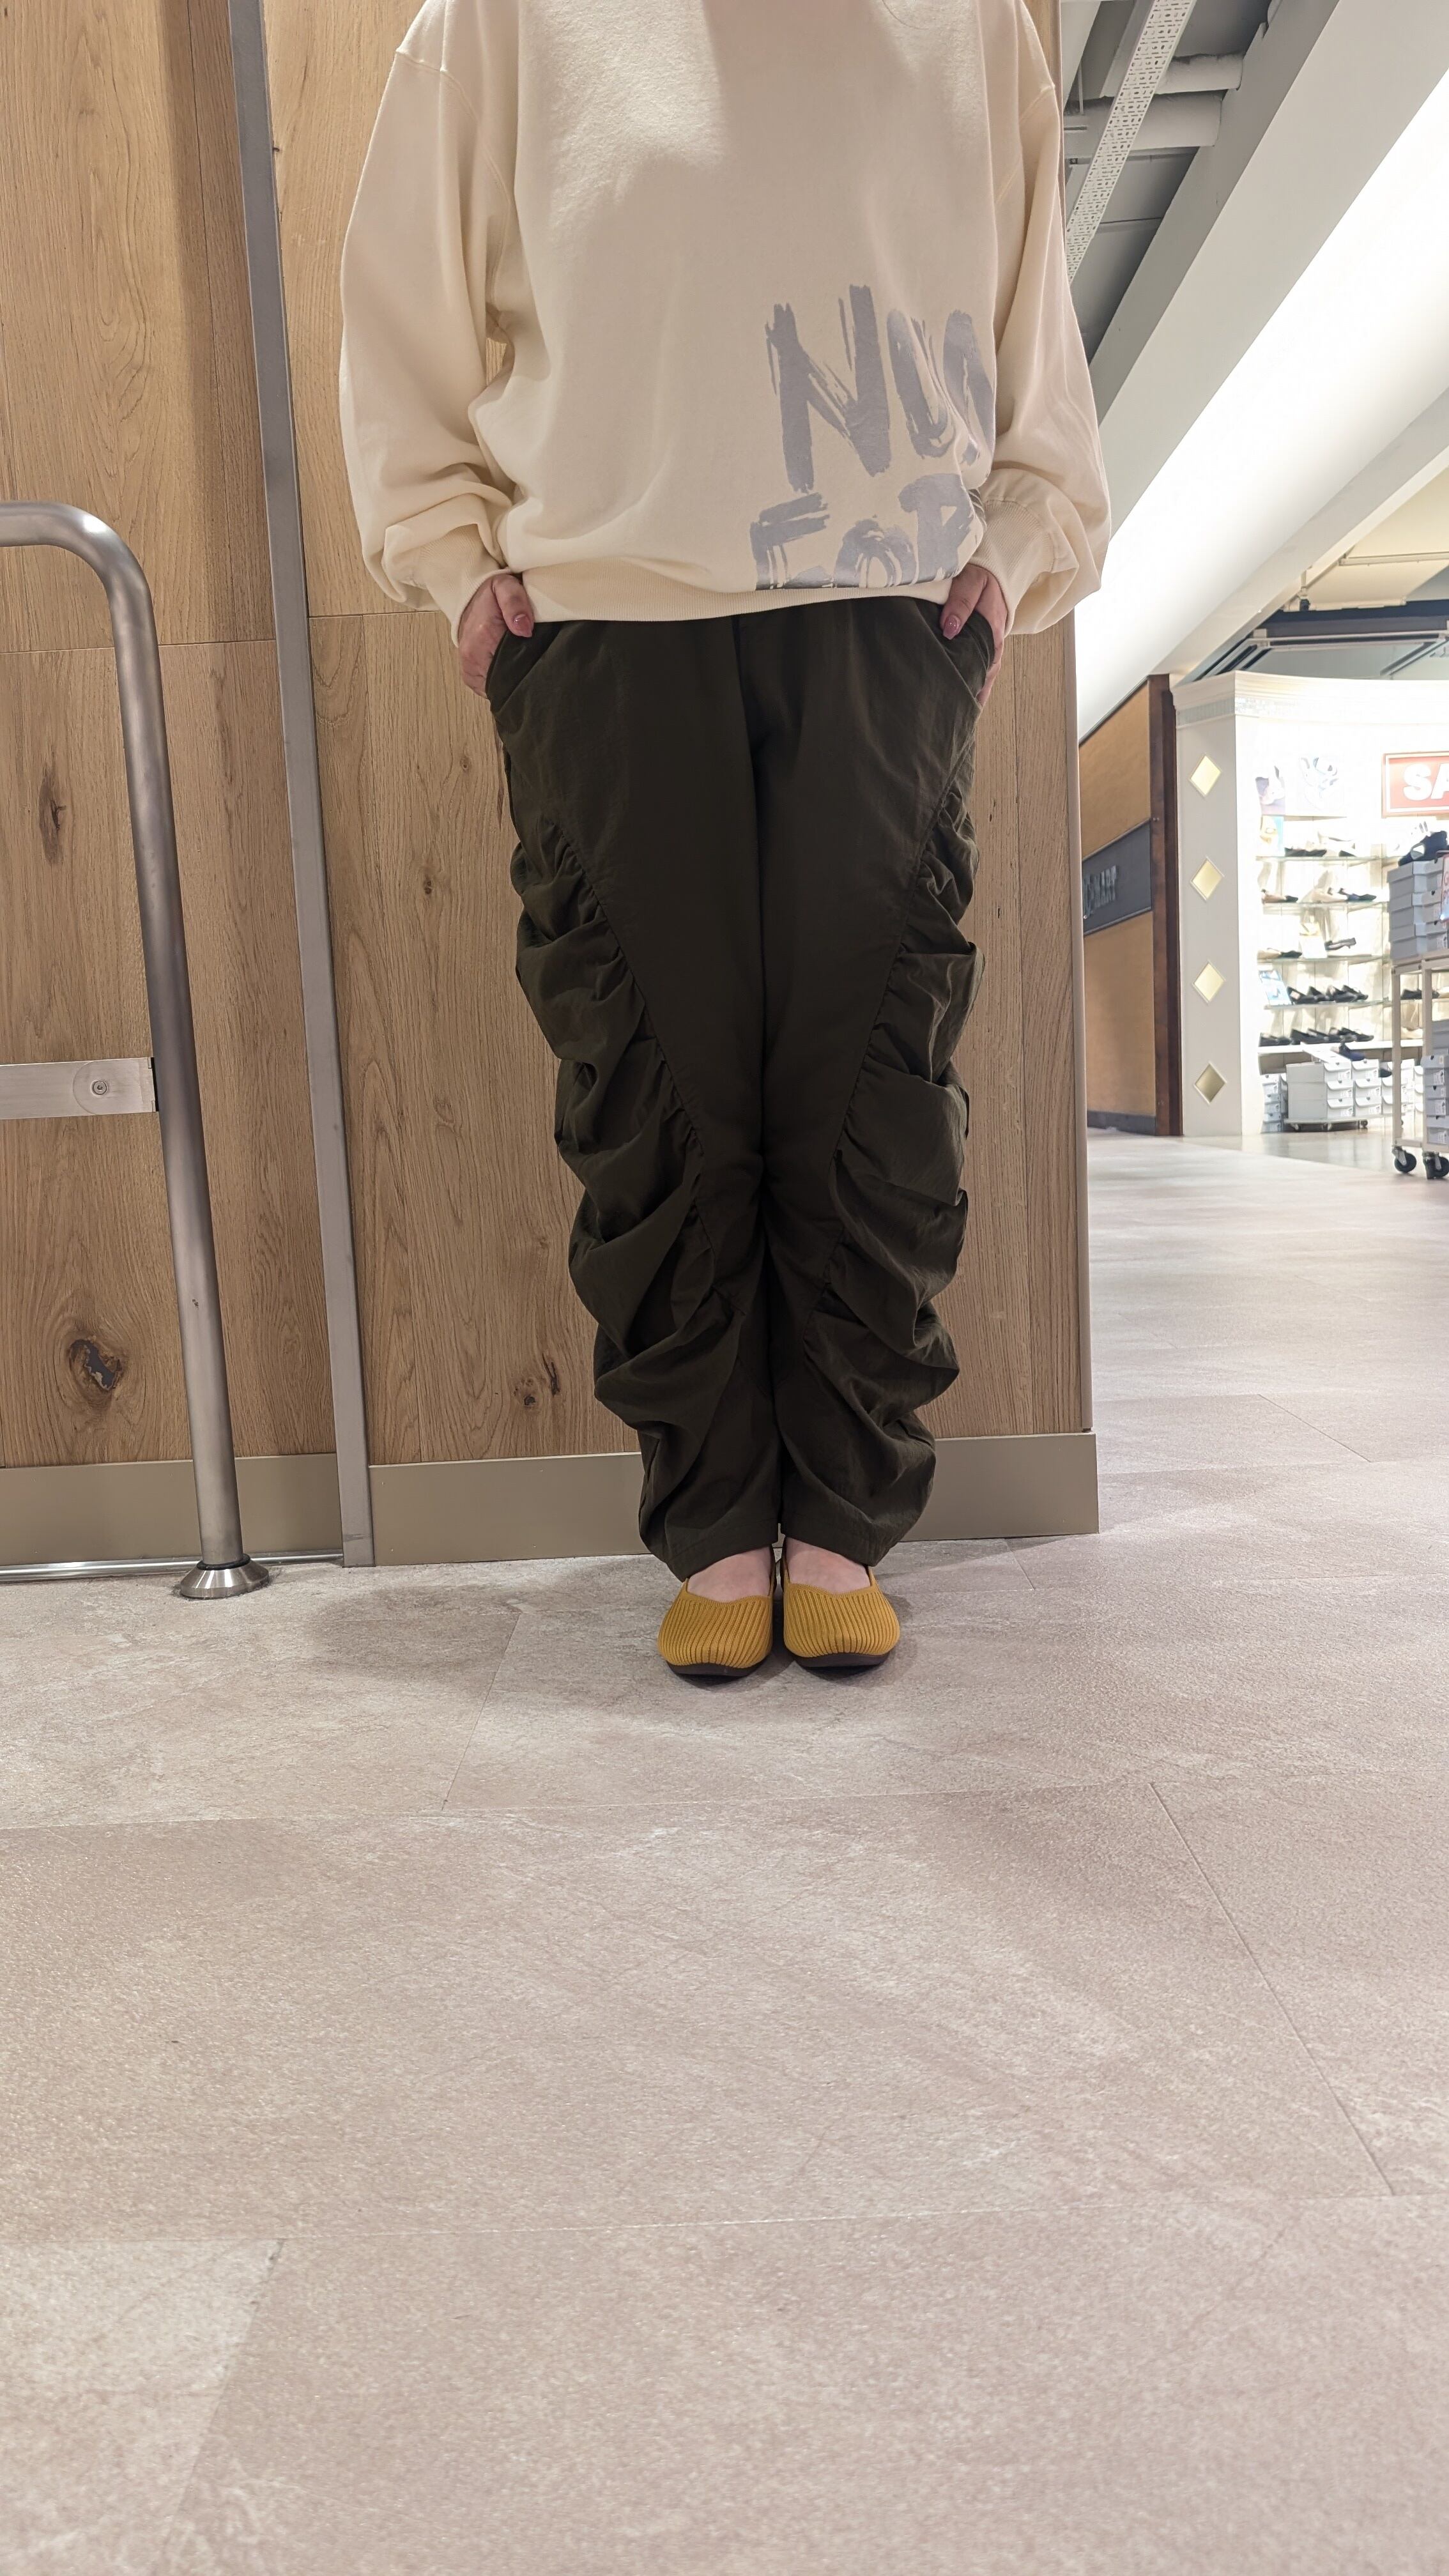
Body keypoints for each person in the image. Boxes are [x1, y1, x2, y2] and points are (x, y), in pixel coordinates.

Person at [340, 0, 1108, 1681]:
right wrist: (454, 561)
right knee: (651, 1085)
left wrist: (1016, 542)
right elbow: (401, 312)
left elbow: (1027, 322)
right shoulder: (500, 20)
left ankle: (836, 1523)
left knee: (872, 1078)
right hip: (604, 616)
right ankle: (711, 1524)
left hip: (885, 607)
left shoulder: (972, 23)